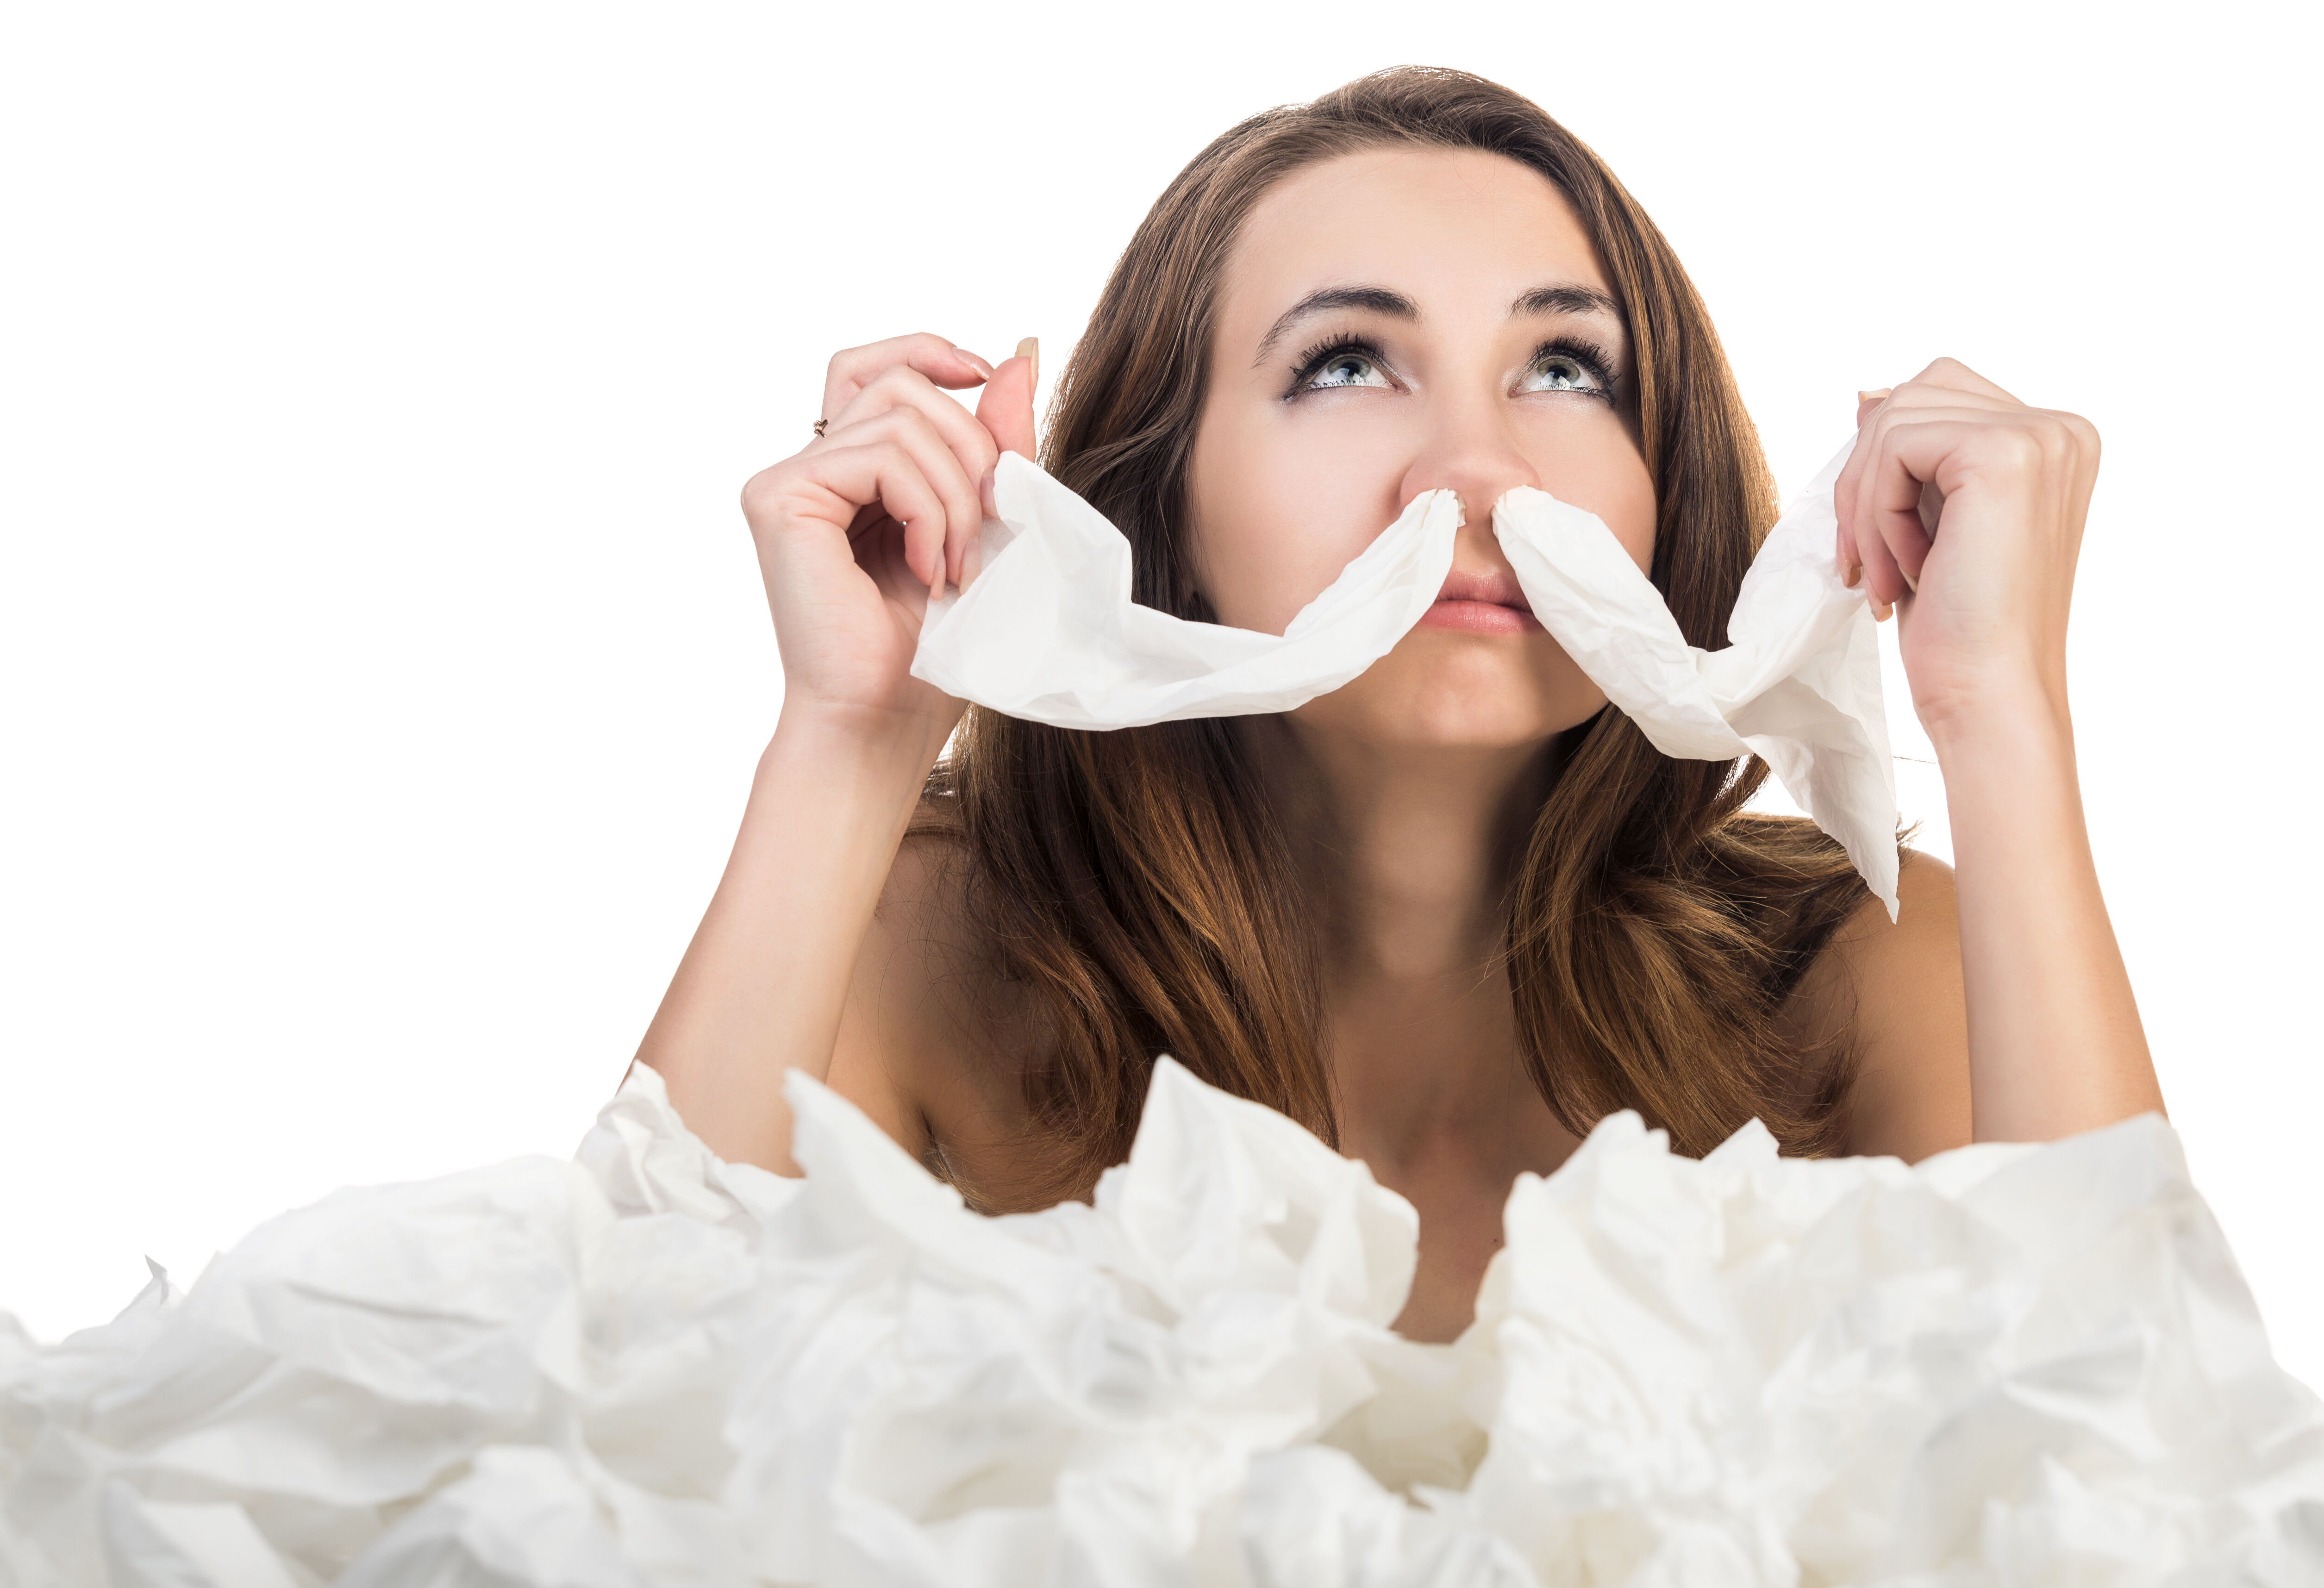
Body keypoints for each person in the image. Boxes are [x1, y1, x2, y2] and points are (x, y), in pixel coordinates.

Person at [633, 68, 2162, 1343]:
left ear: (1663, 492)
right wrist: (855, 734)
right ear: (1154, 500)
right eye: (1349, 362)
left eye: (1566, 369)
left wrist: (2002, 715)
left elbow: (2160, 1483)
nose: (1475, 472)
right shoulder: (919, 956)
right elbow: (589, 1439)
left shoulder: (1865, 977)